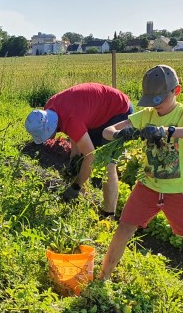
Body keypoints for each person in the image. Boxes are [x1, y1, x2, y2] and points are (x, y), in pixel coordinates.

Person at [99, 65, 183, 279]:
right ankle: (103, 276)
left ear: (176, 91)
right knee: (124, 227)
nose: (157, 108)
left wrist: (167, 131)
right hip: (148, 187)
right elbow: (108, 130)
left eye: (161, 100)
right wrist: (121, 135)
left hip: (180, 192)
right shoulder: (147, 115)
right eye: (152, 102)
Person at [25, 83, 133, 217]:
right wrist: (73, 163)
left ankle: (108, 215)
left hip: (118, 112)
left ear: (50, 126)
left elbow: (91, 156)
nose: (48, 138)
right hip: (97, 114)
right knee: (80, 159)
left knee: (107, 163)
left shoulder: (72, 120)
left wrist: (75, 186)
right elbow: (75, 137)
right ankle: (82, 201)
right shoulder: (50, 109)